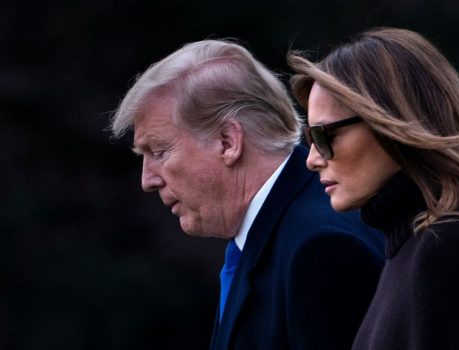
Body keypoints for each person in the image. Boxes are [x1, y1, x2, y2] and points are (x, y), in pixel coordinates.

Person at [288, 27, 459, 349]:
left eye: (324, 136)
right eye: (310, 139)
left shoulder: (454, 249)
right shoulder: (418, 248)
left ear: (390, 122)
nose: (312, 159)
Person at [110, 39, 385, 350]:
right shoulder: (273, 236)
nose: (147, 180)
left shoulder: (320, 248)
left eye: (159, 151)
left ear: (228, 142)